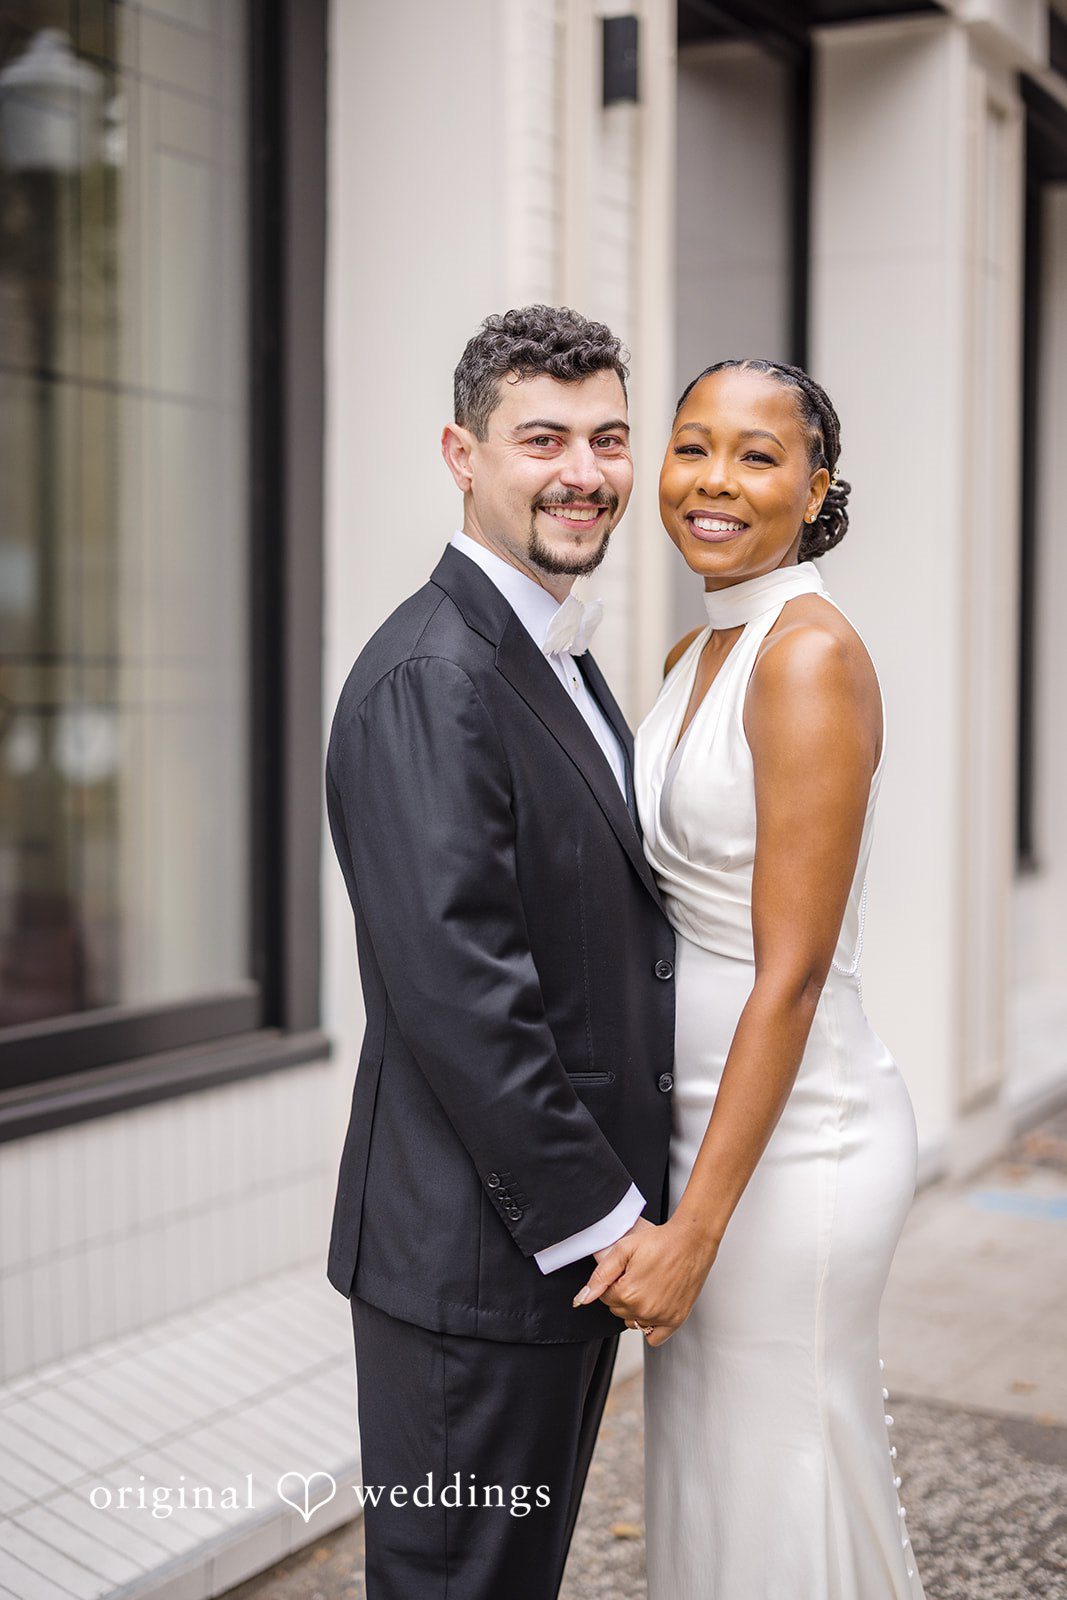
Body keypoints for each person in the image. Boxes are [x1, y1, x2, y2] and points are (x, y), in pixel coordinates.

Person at [323, 304, 676, 1600]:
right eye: (542, 437)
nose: (582, 472)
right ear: (460, 455)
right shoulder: (433, 676)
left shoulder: (551, 657)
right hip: (479, 1263)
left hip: (542, 1264)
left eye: (606, 438)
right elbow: (464, 993)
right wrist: (607, 1225)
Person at [575, 358, 926, 1597]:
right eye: (690, 447)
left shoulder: (806, 658)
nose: (712, 481)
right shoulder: (697, 649)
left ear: (816, 484)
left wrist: (695, 1228)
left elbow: (791, 972)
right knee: (711, 1472)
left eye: (757, 455)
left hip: (796, 1145)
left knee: (779, 1472)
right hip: (703, 1131)